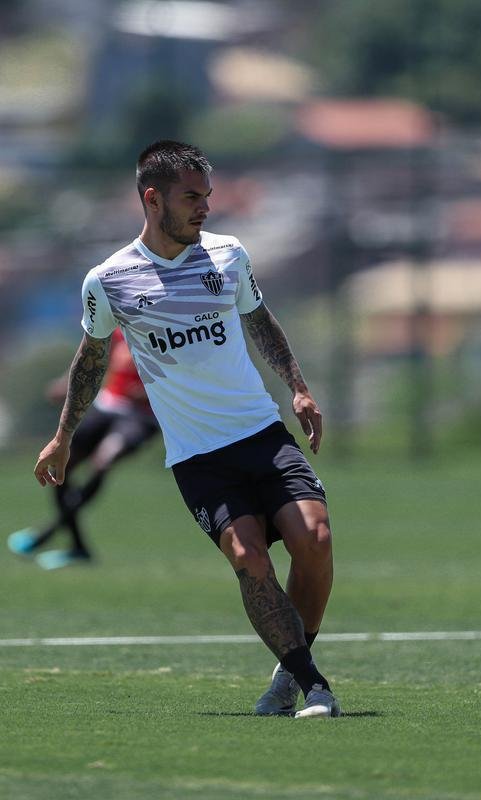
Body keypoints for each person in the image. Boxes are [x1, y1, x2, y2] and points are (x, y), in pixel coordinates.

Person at [33, 140, 340, 719]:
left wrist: (298, 386)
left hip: (261, 434)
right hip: (199, 457)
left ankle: (287, 671)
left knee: (315, 541)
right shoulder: (109, 280)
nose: (204, 208)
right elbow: (90, 361)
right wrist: (63, 435)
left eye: (208, 196)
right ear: (152, 199)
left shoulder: (228, 256)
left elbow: (259, 320)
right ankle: (310, 684)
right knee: (250, 558)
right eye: (191, 197)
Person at [9, 329, 159, 569]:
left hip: (141, 417)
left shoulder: (166, 330)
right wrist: (65, 384)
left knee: (103, 462)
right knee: (62, 466)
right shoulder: (121, 327)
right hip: (107, 405)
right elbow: (91, 357)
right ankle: (78, 547)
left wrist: (148, 393)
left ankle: (48, 531)